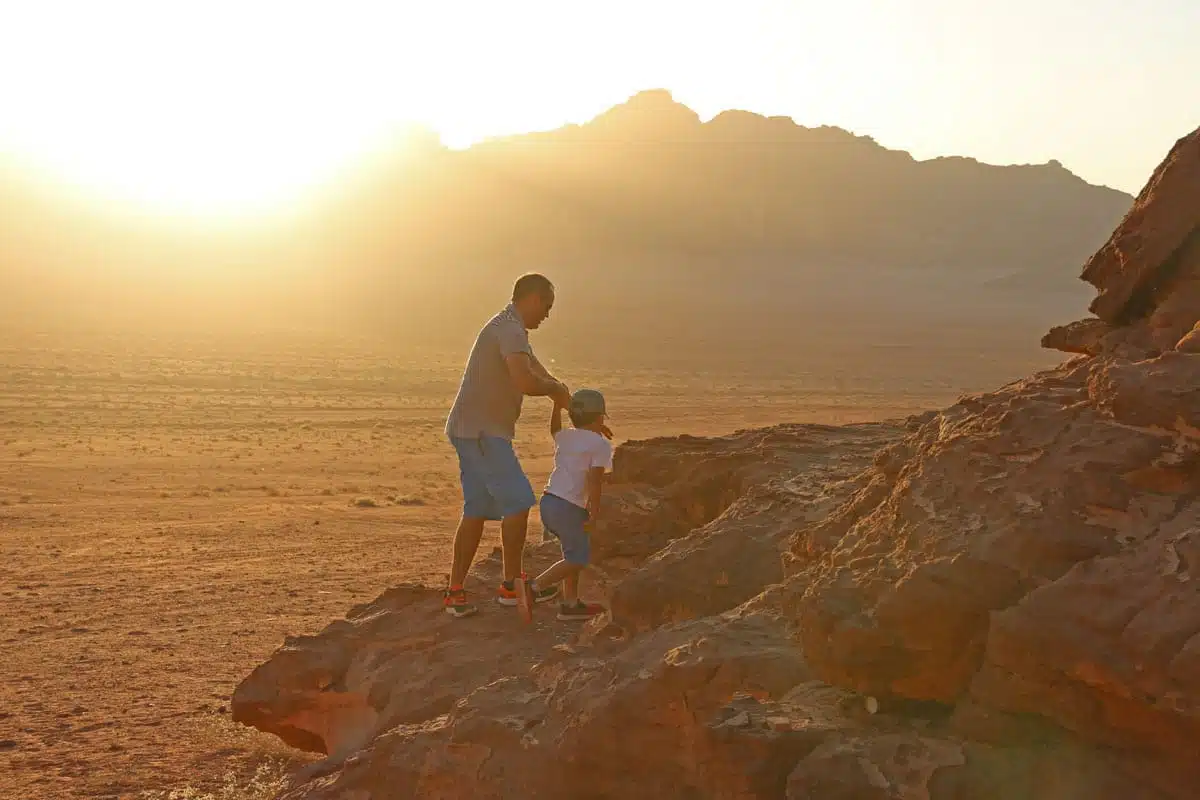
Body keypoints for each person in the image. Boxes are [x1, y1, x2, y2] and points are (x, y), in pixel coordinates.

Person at [442, 273, 572, 619]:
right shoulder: (509, 330)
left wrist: (559, 388)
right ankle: (511, 587)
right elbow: (525, 380)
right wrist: (553, 390)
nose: (547, 314)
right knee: (517, 503)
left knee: (476, 510)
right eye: (546, 306)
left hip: (471, 429)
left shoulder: (510, 328)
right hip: (483, 432)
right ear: (531, 298)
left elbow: (533, 367)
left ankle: (456, 592)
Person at [530, 388, 611, 621]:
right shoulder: (600, 445)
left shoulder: (565, 437)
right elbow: (595, 482)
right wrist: (594, 514)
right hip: (569, 508)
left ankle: (570, 604)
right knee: (578, 559)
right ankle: (534, 587)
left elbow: (554, 429)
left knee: (571, 554)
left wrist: (557, 406)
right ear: (599, 417)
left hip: (549, 503)